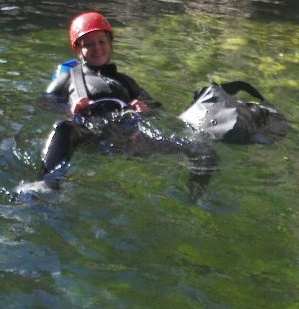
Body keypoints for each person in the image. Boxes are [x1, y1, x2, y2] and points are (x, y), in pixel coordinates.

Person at [39, 12, 216, 191]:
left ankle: (194, 198)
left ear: (110, 44)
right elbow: (44, 102)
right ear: (78, 49)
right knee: (62, 127)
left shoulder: (125, 81)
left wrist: (145, 109)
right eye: (89, 44)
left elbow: (159, 108)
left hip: (131, 136)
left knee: (202, 151)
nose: (97, 48)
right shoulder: (69, 78)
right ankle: (46, 183)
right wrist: (69, 108)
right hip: (91, 133)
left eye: (102, 42)